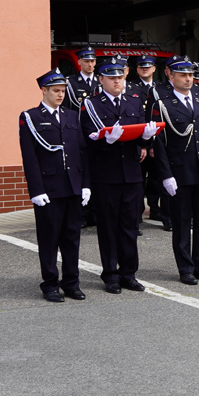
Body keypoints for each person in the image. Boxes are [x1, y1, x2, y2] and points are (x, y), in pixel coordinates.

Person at [79, 56, 154, 291]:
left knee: (130, 227)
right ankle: (111, 275)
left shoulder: (134, 102)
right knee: (108, 227)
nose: (117, 81)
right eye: (112, 78)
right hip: (106, 175)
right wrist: (107, 141)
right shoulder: (91, 104)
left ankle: (129, 273)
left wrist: (147, 137)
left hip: (131, 174)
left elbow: (139, 135)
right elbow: (87, 139)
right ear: (101, 80)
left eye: (120, 77)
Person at [20, 70, 92, 302]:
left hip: (72, 187)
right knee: (49, 239)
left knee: (72, 239)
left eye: (63, 91)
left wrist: (85, 184)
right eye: (56, 91)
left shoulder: (71, 116)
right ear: (44, 90)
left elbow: (81, 152)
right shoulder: (30, 117)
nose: (60, 95)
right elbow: (30, 157)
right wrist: (36, 190)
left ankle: (71, 283)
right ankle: (50, 284)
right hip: (49, 189)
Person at [153, 59, 199, 285]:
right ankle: (185, 268)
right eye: (182, 75)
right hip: (180, 172)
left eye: (190, 75)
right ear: (171, 76)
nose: (188, 79)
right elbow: (159, 144)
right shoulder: (162, 105)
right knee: (182, 223)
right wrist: (166, 175)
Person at [130, 56, 170, 230]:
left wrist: (153, 144)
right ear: (137, 69)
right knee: (138, 179)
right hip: (138, 141)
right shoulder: (130, 87)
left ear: (154, 68)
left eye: (148, 66)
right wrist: (143, 145)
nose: (145, 69)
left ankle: (155, 209)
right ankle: (138, 212)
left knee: (156, 178)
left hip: (157, 140)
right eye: (141, 66)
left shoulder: (160, 87)